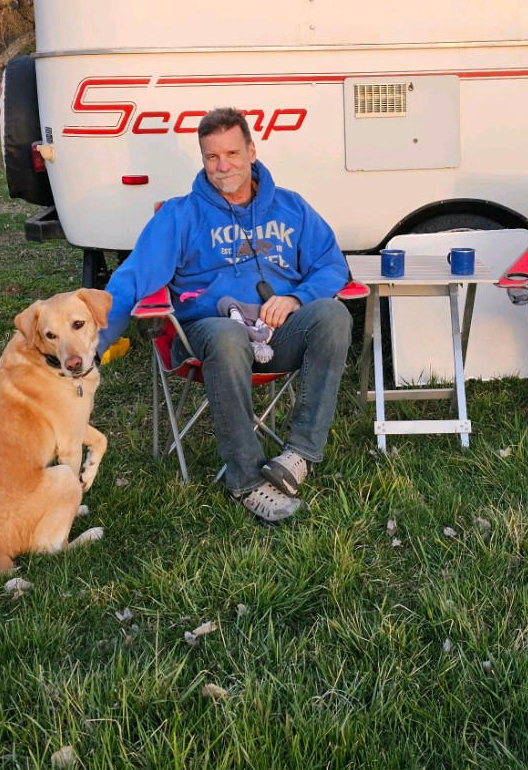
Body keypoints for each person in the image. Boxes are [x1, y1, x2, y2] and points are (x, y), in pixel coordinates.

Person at [97, 107, 351, 521]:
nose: (223, 167)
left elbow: (331, 264)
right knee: (227, 337)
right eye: (212, 157)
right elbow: (134, 277)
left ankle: (299, 455)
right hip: (207, 334)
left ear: (252, 151)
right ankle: (247, 480)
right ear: (203, 160)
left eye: (232, 154)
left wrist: (298, 299)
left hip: (276, 333)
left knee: (334, 317)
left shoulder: (291, 207)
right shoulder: (181, 216)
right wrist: (96, 339)